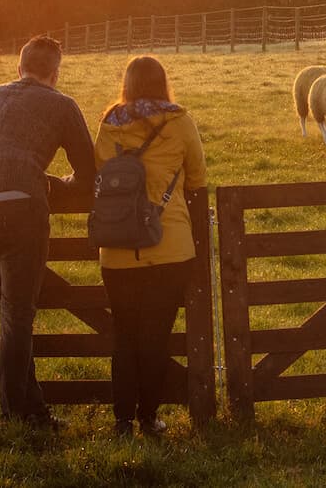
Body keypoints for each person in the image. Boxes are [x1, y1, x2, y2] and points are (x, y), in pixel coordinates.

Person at [0, 34, 96, 427]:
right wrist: (57, 185)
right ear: (55, 73)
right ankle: (16, 414)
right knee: (17, 315)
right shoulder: (61, 104)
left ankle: (31, 411)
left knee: (11, 313)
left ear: (18, 69)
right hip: (18, 207)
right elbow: (89, 175)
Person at [93, 56, 206, 438]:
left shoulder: (109, 124)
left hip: (117, 249)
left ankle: (122, 420)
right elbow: (198, 180)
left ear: (126, 83)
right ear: (163, 83)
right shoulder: (180, 121)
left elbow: (97, 176)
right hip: (169, 247)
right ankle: (149, 418)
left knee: (123, 336)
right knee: (155, 337)